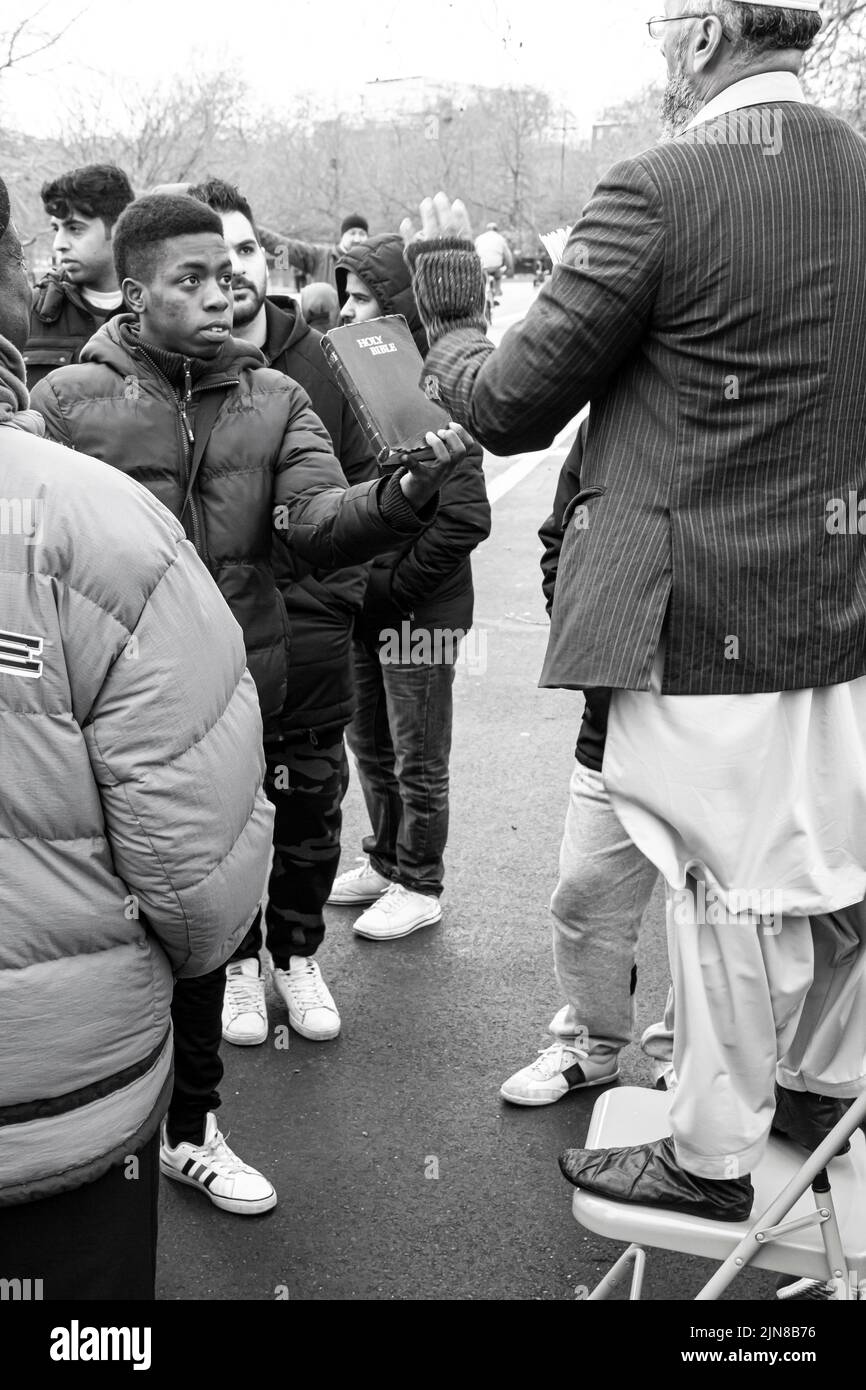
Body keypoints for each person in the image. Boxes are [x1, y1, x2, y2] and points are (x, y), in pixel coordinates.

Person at [401, 0, 866, 1221]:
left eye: (664, 25)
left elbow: (506, 403)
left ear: (709, 33)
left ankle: (710, 1157)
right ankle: (823, 1088)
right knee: (836, 869)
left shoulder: (661, 185)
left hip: (696, 608)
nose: (658, 48)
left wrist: (447, 306)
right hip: (840, 604)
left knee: (715, 890)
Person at [30, 193, 471, 1210]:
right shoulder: (63, 405)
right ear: (134, 296)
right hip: (99, 725)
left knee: (205, 915)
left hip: (236, 710)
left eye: (226, 276)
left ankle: (192, 1128)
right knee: (101, 934)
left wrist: (400, 496)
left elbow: (316, 521)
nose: (220, 294)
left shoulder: (275, 397)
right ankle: (85, 1145)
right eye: (189, 279)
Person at [0, 174, 274, 1296]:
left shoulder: (277, 391)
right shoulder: (88, 511)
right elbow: (198, 875)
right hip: (52, 1099)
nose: (222, 294)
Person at [189, 176, 376, 1045]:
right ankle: (235, 966)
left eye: (244, 250)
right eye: (209, 258)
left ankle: (297, 956)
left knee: (309, 814)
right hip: (214, 656)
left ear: (264, 257)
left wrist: (342, 599)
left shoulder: (326, 361)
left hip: (309, 646)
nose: (229, 273)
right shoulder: (178, 372)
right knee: (227, 822)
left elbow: (376, 490)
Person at [327, 232, 492, 940]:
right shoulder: (356, 387)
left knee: (418, 756)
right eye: (345, 295)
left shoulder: (437, 390)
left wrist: (387, 586)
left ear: (395, 308)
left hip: (419, 612)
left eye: (363, 297)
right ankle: (386, 860)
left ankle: (420, 881)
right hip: (369, 605)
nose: (347, 309)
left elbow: (464, 521)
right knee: (370, 744)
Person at [499, 418, 664, 1105]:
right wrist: (599, 654)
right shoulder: (610, 423)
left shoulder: (752, 409)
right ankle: (592, 1044)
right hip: (617, 719)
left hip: (732, 714)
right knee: (584, 894)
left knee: (719, 913)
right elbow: (557, 544)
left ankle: (690, 1056)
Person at [23, 164, 134, 389]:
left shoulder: (154, 315)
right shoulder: (27, 314)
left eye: (75, 228)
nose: (59, 244)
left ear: (119, 228)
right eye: (57, 229)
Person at [260, 213, 369, 291]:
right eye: (352, 233)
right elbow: (286, 246)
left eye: (362, 234)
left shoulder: (372, 263)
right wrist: (254, 230)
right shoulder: (320, 257)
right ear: (342, 236)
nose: (357, 239)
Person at [473, 222, 513, 304]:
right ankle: (497, 290)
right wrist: (509, 266)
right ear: (497, 230)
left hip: (481, 266)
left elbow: (473, 251)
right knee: (498, 276)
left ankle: (480, 293)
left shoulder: (479, 238)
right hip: (495, 267)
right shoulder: (500, 238)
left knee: (482, 280)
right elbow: (508, 255)